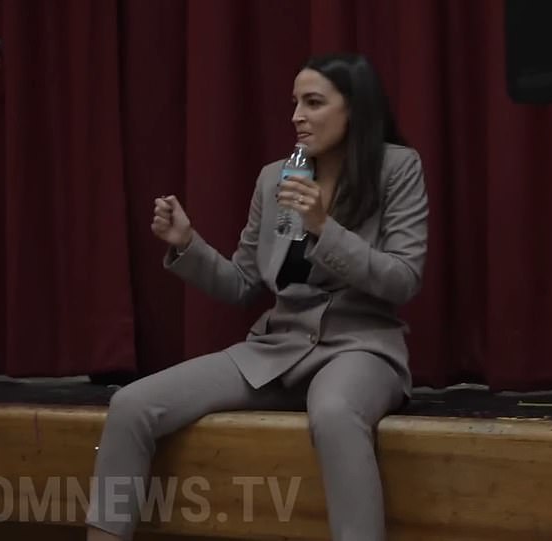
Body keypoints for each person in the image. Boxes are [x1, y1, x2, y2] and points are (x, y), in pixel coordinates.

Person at [86, 52, 428, 541]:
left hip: (358, 345)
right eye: (294, 103)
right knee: (132, 405)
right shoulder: (277, 177)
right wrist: (188, 245)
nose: (296, 117)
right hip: (276, 348)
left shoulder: (396, 168)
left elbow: (403, 278)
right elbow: (244, 282)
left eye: (313, 103)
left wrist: (322, 229)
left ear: (355, 109)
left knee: (333, 413)